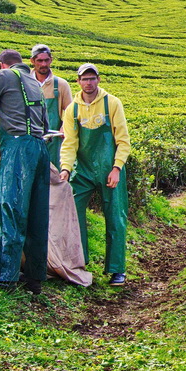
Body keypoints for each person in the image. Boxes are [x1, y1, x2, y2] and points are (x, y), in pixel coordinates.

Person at [0, 49, 52, 293]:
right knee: (36, 215)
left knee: (8, 209)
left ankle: (4, 277)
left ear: (2, 64)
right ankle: (34, 277)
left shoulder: (3, 76)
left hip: (18, 151)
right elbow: (42, 125)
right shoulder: (34, 83)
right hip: (39, 149)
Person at [59, 63, 132, 287]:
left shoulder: (112, 103)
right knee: (72, 211)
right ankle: (78, 263)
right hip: (84, 171)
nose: (88, 83)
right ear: (78, 82)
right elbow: (70, 143)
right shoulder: (72, 109)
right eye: (84, 79)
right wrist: (65, 169)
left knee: (115, 218)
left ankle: (116, 269)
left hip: (110, 169)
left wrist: (117, 168)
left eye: (92, 78)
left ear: (98, 80)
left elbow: (123, 140)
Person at [29, 43, 72, 168]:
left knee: (53, 176)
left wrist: (64, 128)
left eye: (46, 60)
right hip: (29, 139)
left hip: (53, 140)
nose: (43, 64)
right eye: (40, 61)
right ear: (32, 61)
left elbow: (71, 112)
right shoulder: (25, 83)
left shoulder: (61, 85)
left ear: (51, 60)